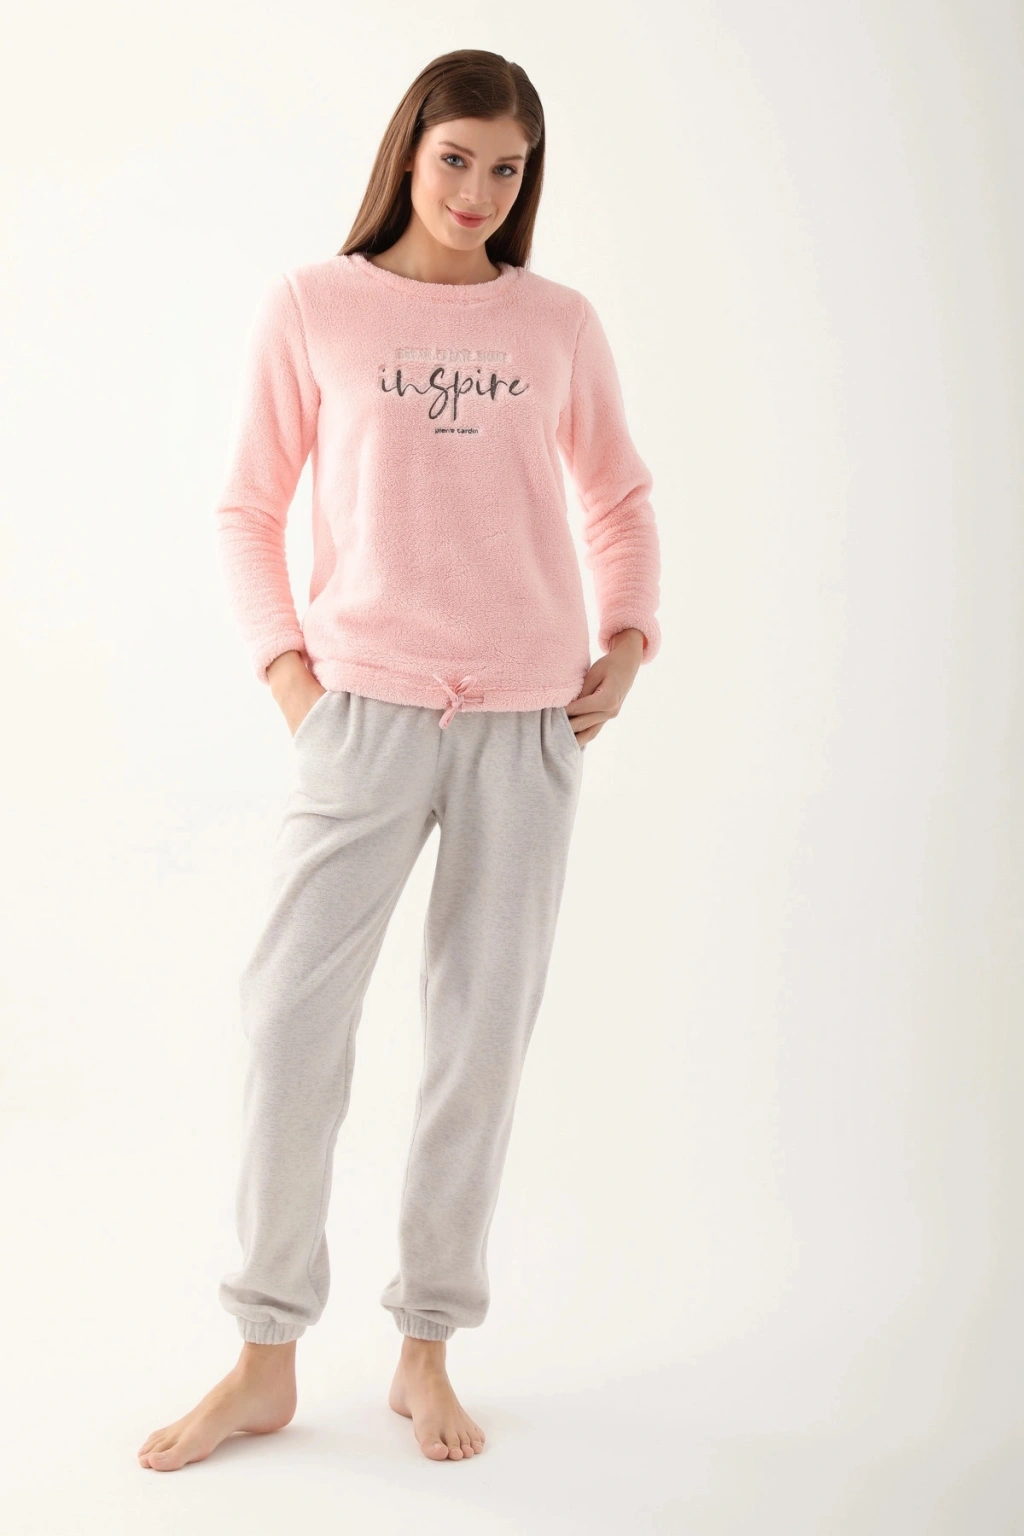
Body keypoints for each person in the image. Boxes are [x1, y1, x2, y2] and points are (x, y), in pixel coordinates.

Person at [138, 46, 661, 1472]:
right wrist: (293, 682)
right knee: (290, 1020)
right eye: (456, 160)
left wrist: (626, 640)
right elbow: (246, 506)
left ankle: (427, 1346)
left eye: (507, 168)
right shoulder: (317, 305)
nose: (478, 190)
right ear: (408, 154)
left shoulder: (555, 323)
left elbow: (618, 495)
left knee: (478, 1042)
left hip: (524, 726)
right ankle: (265, 1354)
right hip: (357, 717)